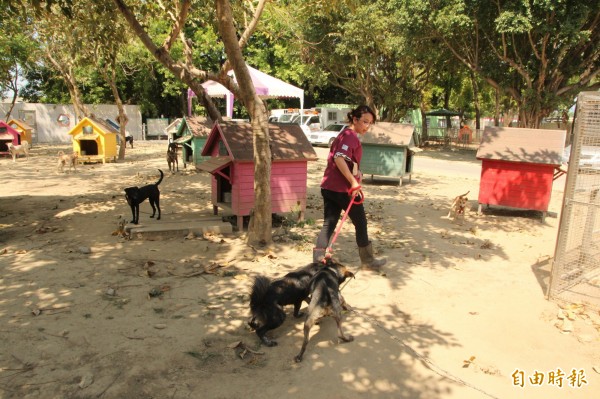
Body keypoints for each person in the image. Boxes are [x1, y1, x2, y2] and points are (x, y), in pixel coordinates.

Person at [313, 105, 386, 270]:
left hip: (329, 187)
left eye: (370, 123)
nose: (367, 126)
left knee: (329, 224)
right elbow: (339, 158)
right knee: (361, 222)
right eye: (365, 122)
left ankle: (317, 261)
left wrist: (357, 174)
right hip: (342, 190)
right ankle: (368, 261)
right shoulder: (350, 136)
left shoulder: (344, 134)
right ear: (355, 119)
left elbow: (344, 160)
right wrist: (353, 183)